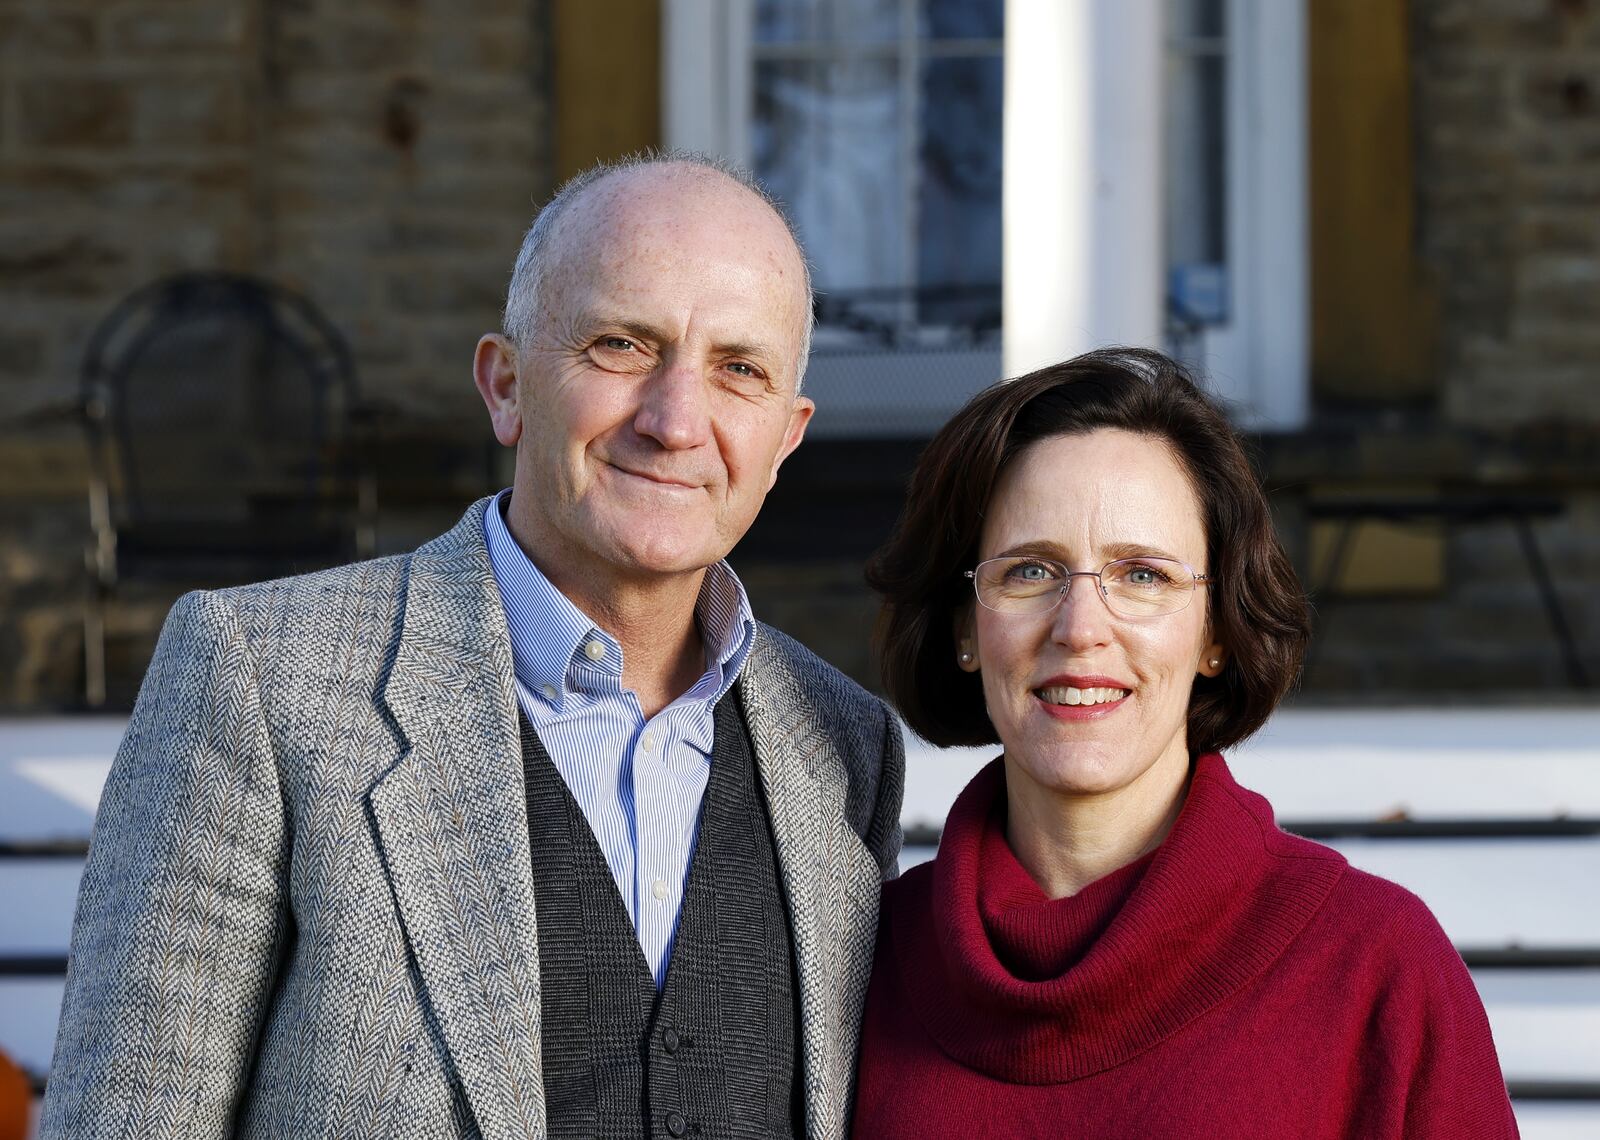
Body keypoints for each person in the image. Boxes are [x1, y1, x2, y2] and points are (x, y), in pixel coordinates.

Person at [41, 153, 904, 1140]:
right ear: (506, 385)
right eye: (622, 345)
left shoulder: (841, 743)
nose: (676, 421)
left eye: (737, 371)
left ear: (786, 439)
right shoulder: (263, 678)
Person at [854, 348, 1517, 1139]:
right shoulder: (858, 963)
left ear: (1215, 633)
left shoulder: (1374, 968)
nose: (1081, 629)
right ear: (967, 626)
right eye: (1031, 571)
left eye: (1143, 576)